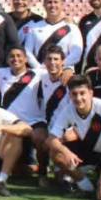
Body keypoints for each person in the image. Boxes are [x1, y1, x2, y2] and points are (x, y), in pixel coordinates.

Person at [32, 46, 72, 187]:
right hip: (47, 124)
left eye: (56, 59)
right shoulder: (40, 77)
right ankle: (42, 172)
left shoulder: (70, 80)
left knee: (62, 180)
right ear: (44, 62)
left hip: (67, 128)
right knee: (38, 136)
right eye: (49, 59)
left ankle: (66, 170)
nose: (52, 62)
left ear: (63, 62)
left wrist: (70, 69)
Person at [24, 0, 83, 70]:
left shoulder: (72, 28)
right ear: (44, 5)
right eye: (49, 2)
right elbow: (27, 51)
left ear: (62, 5)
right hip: (40, 72)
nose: (52, 5)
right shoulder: (34, 27)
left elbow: (76, 54)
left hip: (64, 73)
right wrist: (39, 68)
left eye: (56, 2)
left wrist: (59, 66)